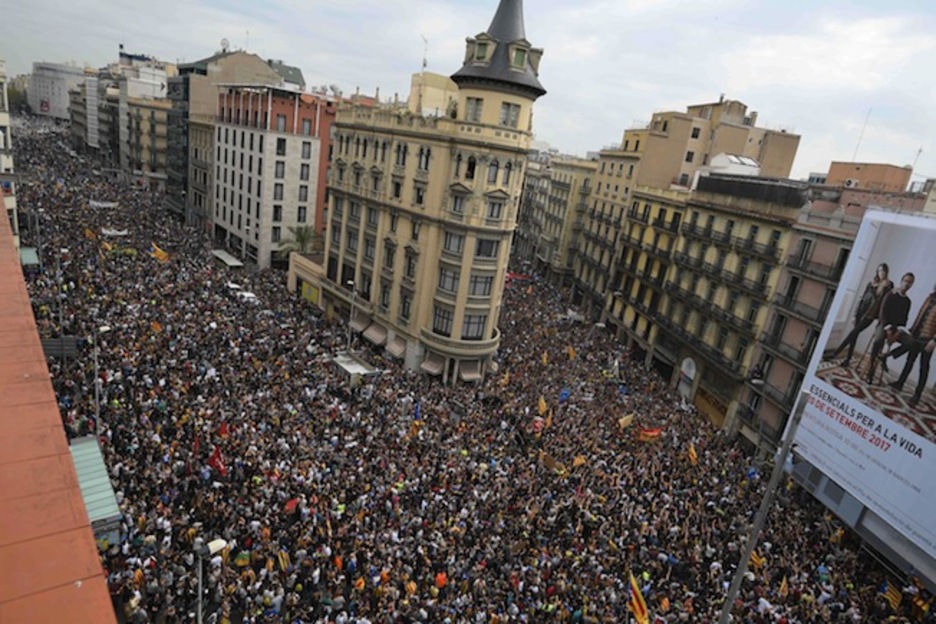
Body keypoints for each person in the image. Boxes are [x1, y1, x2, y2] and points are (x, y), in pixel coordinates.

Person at [827, 263, 893, 367]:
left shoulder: (888, 285)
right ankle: (847, 360)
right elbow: (862, 299)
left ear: (886, 272)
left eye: (883, 271)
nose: (881, 273)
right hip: (861, 312)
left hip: (870, 315)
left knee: (853, 333)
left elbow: (886, 301)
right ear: (877, 271)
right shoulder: (871, 283)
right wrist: (855, 314)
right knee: (854, 335)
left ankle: (835, 353)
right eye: (879, 270)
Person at [885, 282, 936, 406]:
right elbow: (920, 314)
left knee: (923, 367)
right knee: (909, 360)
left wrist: (934, 341)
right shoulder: (929, 298)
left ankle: (917, 395)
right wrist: (913, 330)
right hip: (917, 334)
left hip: (928, 339)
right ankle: (900, 383)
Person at [865, 272, 914, 384]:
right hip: (883, 325)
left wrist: (897, 332)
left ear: (912, 285)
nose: (907, 284)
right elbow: (882, 313)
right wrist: (888, 330)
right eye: (905, 281)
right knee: (878, 340)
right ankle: (870, 372)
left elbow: (904, 320)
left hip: (896, 329)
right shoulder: (890, 294)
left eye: (910, 282)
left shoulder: (907, 302)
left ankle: (885, 356)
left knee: (911, 343)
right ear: (901, 281)